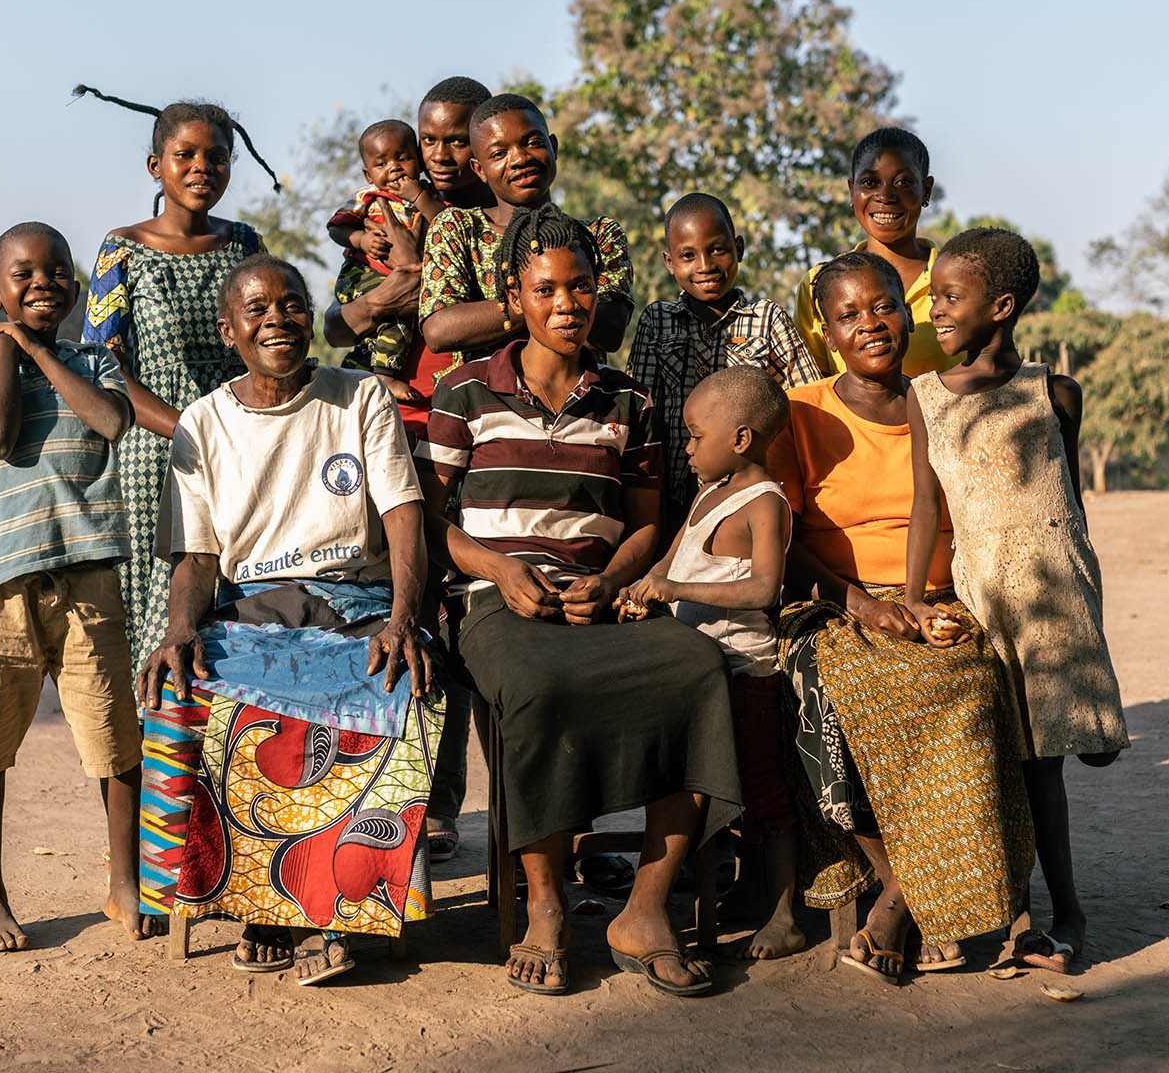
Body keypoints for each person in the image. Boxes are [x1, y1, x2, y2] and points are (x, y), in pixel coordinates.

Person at [417, 212, 741, 998]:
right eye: (546, 290)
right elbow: (430, 520)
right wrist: (497, 568)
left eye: (582, 287)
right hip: (497, 601)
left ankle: (647, 907)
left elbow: (646, 525)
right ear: (512, 297)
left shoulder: (628, 400)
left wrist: (611, 582)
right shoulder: (463, 391)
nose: (567, 304)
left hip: (599, 599)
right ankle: (550, 906)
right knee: (536, 685)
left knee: (700, 666)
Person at [138, 254, 437, 986]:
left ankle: (337, 905)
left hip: (356, 599)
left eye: (292, 304)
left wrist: (404, 617)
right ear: (229, 329)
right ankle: (256, 902)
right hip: (256, 605)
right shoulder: (203, 423)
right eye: (257, 308)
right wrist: (178, 627)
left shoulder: (358, 394)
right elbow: (199, 560)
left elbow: (404, 518)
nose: (277, 318)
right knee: (185, 689)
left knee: (393, 682)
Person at [768, 250, 1034, 982]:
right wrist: (860, 604)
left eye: (882, 306)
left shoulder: (941, 399)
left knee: (974, 690)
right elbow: (781, 540)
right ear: (825, 329)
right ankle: (911, 885)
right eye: (848, 314)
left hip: (938, 600)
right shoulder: (800, 410)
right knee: (828, 692)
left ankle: (903, 896)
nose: (869, 325)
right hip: (832, 601)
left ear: (906, 310)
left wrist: (919, 606)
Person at [903, 228, 1130, 976]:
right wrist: (910, 605)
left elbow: (1071, 511)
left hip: (1053, 594)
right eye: (933, 294)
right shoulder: (926, 397)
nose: (935, 308)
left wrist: (1089, 613)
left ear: (1000, 306)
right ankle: (1027, 911)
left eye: (951, 296)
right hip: (982, 590)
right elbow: (927, 511)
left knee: (1056, 760)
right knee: (1009, 757)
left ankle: (1066, 913)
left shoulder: (1052, 393)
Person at [0, 222, 150, 952]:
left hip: (90, 577)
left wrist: (34, 351)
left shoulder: (97, 363)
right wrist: (6, 356)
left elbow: (112, 419)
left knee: (116, 742)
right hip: (5, 586)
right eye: (23, 275)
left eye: (57, 270)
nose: (44, 283)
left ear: (75, 286)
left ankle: (123, 880)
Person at [323, 78, 497, 863]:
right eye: (432, 142)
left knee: (471, 626)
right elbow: (335, 320)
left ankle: (461, 806)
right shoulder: (379, 222)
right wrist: (381, 297)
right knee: (406, 607)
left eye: (459, 140)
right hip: (397, 429)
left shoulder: (496, 230)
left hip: (484, 436)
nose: (440, 155)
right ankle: (410, 801)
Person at [619, 366, 804, 962]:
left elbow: (764, 590)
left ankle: (783, 915)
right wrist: (640, 592)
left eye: (697, 436)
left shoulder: (764, 504)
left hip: (744, 675)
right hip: (692, 674)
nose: (689, 448)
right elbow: (665, 566)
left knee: (762, 789)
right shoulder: (706, 495)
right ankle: (734, 896)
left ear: (742, 439)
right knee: (693, 782)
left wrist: (672, 588)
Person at [79, 99, 265, 681]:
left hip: (243, 451)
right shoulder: (121, 250)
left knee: (239, 600)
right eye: (185, 155)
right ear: (155, 165)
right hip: (156, 455)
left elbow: (265, 345)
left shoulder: (245, 247)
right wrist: (193, 425)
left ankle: (229, 757)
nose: (201, 167)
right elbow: (102, 368)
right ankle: (156, 760)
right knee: (158, 614)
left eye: (217, 156)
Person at [627, 193, 821, 534]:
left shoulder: (768, 319)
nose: (705, 265)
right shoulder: (657, 322)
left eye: (718, 249)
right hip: (675, 500)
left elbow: (806, 407)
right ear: (669, 262)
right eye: (688, 255)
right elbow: (643, 418)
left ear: (739, 249)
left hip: (751, 503)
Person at [417, 93, 634, 363]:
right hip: (481, 400)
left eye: (532, 143)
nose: (519, 158)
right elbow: (440, 331)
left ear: (553, 147)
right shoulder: (457, 229)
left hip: (580, 399)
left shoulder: (599, 235)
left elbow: (608, 330)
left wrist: (512, 309)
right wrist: (548, 305)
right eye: (499, 153)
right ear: (479, 169)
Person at [793, 127, 956, 381]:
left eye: (903, 182)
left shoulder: (960, 280)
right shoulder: (819, 284)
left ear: (926, 190)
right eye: (870, 182)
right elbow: (816, 391)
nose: (885, 196)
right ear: (851, 190)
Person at [327, 118, 452, 414]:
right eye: (381, 163)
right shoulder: (367, 197)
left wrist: (418, 197)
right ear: (368, 174)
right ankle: (384, 376)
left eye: (403, 158)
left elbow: (445, 224)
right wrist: (360, 239)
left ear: (419, 163)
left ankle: (370, 374)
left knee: (387, 326)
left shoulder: (429, 195)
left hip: (402, 275)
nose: (394, 167)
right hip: (362, 275)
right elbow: (336, 227)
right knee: (397, 315)